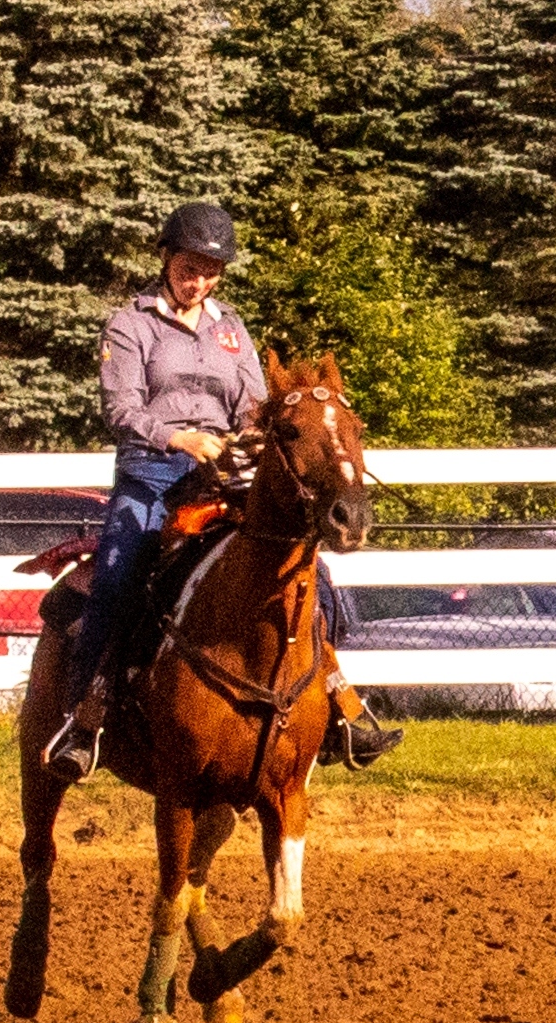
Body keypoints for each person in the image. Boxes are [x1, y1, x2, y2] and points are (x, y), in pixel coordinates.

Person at [47, 202, 402, 780]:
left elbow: (252, 406)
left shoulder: (230, 328)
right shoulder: (129, 325)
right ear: (166, 259)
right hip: (152, 474)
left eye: (211, 272)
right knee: (116, 575)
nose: (200, 281)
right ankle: (84, 719)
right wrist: (180, 438)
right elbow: (121, 409)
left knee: (313, 579)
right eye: (190, 268)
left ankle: (335, 707)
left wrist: (258, 438)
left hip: (226, 472)